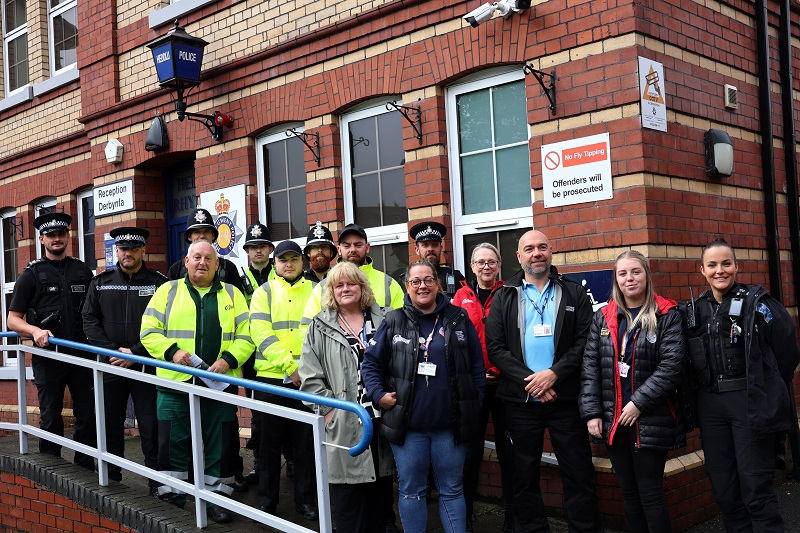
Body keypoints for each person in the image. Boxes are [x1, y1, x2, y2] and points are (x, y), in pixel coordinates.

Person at [485, 230, 603, 533]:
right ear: (519, 256)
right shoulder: (504, 295)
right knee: (523, 476)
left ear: (550, 252)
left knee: (578, 473)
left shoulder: (573, 292)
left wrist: (554, 374)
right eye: (529, 249)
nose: (536, 253)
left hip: (565, 399)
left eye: (542, 247)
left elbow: (585, 341)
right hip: (520, 401)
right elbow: (495, 348)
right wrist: (533, 381)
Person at [683, 238, 799, 532]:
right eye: (712, 265)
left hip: (749, 402)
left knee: (755, 488)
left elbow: (787, 352)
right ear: (702, 270)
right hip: (710, 406)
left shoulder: (758, 304)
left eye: (726, 263)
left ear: (736, 266)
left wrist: (767, 388)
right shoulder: (694, 310)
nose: (719, 270)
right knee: (724, 489)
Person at [362, 259, 486, 533]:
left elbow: (477, 367)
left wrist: (475, 403)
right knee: (412, 491)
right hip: (409, 428)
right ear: (407, 286)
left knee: (452, 490)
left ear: (437, 284)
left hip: (450, 427)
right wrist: (378, 395)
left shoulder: (458, 318)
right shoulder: (393, 320)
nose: (422, 286)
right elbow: (370, 364)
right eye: (415, 281)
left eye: (428, 280)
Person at [140, 241, 254, 524]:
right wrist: (172, 352)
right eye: (197, 257)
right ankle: (172, 496)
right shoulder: (167, 291)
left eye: (208, 258)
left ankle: (217, 499)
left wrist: (228, 360)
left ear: (217, 264)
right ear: (186, 261)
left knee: (221, 444)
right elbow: (148, 331)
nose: (202, 262)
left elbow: (247, 335)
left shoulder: (233, 294)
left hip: (219, 383)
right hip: (175, 383)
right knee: (173, 442)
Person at [580, 250, 686, 532]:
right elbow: (590, 367)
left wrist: (638, 403)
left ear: (646, 275)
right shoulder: (603, 317)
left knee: (650, 493)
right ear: (616, 279)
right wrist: (592, 413)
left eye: (636, 272)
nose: (630, 278)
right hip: (614, 419)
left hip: (650, 417)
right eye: (623, 273)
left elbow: (672, 367)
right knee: (628, 492)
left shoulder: (666, 313)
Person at [299, 262, 394, 533]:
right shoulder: (320, 326)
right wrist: (331, 413)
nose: (345, 289)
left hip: (383, 420)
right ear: (331, 291)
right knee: (348, 504)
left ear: (362, 287)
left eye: (351, 283)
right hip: (344, 424)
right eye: (338, 285)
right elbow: (310, 379)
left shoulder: (385, 320)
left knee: (380, 500)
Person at [7, 212, 96, 471]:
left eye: (61, 234)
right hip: (49, 356)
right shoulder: (32, 274)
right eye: (51, 235)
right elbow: (13, 320)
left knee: (87, 414)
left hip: (81, 355)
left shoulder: (82, 270)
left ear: (67, 236)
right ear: (42, 239)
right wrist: (34, 330)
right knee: (51, 414)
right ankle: (51, 468)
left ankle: (85, 467)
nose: (57, 239)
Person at [81, 227, 167, 496]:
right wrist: (113, 352)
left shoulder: (159, 283)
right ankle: (110, 477)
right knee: (109, 423)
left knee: (151, 425)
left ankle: (157, 483)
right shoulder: (101, 282)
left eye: (133, 249)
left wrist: (135, 353)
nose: (128, 253)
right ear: (116, 251)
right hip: (110, 365)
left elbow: (166, 324)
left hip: (146, 365)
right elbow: (89, 320)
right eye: (123, 249)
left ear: (143, 251)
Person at [167, 206, 248, 492]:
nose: (201, 236)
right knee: (183, 433)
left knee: (223, 434)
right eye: (196, 233)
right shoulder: (175, 272)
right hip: (182, 374)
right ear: (188, 240)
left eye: (206, 233)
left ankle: (226, 483)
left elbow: (241, 320)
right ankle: (186, 484)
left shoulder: (229, 270)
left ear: (214, 238)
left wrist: (229, 359)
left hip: (220, 375)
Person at [249, 240, 319, 520]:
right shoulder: (263, 292)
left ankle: (307, 501)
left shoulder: (317, 290)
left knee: (306, 445)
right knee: (267, 446)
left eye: (293, 259)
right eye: (282, 260)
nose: (288, 264)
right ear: (274, 263)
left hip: (308, 380)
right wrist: (290, 367)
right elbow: (261, 334)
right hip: (271, 379)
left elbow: (321, 332)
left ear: (303, 261)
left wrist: (305, 370)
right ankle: (266, 501)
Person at [452, 242, 512, 532]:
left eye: (491, 261)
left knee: (510, 454)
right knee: (469, 456)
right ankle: (464, 519)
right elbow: (454, 341)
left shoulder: (510, 293)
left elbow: (516, 339)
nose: (486, 267)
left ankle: (513, 518)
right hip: (473, 387)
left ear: (499, 265)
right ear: (472, 266)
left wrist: (500, 370)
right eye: (481, 262)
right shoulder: (460, 297)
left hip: (505, 385)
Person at [302, 223, 404, 324]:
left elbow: (403, 324)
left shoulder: (389, 284)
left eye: (358, 245)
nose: (352, 250)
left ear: (367, 247)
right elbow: (307, 327)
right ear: (339, 249)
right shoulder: (322, 287)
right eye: (347, 246)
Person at [239, 221, 274, 485]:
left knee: (288, 408)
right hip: (250, 354)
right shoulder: (238, 278)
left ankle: (291, 461)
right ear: (247, 251)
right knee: (258, 413)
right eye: (253, 247)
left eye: (262, 246)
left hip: (277, 351)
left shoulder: (281, 272)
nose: (258, 251)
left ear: (270, 249)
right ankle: (260, 464)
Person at [168, 207, 245, 294]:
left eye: (206, 231)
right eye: (197, 232)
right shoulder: (176, 270)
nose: (202, 236)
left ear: (213, 236)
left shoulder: (228, 268)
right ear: (189, 237)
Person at [399, 221, 465, 298]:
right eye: (425, 245)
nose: (430, 249)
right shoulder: (406, 279)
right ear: (417, 250)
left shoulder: (455, 276)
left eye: (435, 245)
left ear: (441, 248)